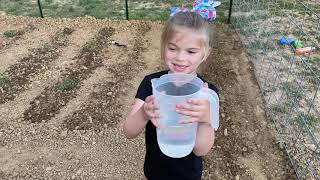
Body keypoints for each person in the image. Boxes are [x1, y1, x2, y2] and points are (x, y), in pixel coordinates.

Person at [123, 11, 219, 180]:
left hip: (188, 174)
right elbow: (129, 132)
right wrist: (144, 113)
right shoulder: (151, 84)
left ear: (206, 53)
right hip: (155, 171)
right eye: (173, 48)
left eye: (191, 51)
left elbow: (201, 150)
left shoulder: (207, 93)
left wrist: (205, 120)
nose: (180, 58)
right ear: (164, 46)